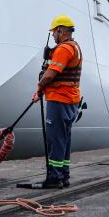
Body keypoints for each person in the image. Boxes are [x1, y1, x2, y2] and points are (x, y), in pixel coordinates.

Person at [24, 15, 82, 189]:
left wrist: (39, 86)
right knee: (64, 138)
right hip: (71, 99)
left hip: (60, 99)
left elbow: (50, 74)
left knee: (55, 138)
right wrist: (41, 91)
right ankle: (64, 175)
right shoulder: (75, 47)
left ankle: (55, 178)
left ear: (60, 30)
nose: (53, 36)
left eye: (54, 33)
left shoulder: (64, 49)